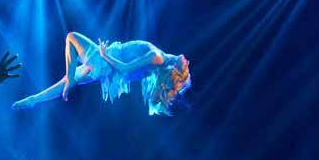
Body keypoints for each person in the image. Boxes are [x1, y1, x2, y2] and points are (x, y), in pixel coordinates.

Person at [11, 31, 190, 116]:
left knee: (71, 37)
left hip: (103, 59)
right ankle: (33, 100)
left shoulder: (157, 57)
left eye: (185, 67)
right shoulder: (159, 63)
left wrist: (104, 54)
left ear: (176, 69)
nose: (187, 62)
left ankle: (68, 81)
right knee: (67, 80)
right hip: (105, 68)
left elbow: (125, 69)